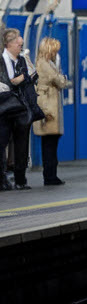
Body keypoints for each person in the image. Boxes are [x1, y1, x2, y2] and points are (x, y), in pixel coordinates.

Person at [32, 36, 72, 185]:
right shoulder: (44, 64)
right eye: (55, 50)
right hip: (48, 110)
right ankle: (49, 176)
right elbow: (60, 81)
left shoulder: (46, 63)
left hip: (50, 107)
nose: (56, 53)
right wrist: (63, 77)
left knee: (51, 142)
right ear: (49, 50)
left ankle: (51, 174)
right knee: (49, 144)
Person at [0, 29, 36, 190]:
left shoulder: (23, 59)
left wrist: (25, 77)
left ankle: (21, 179)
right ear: (9, 44)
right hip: (4, 107)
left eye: (21, 44)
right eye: (18, 44)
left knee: (22, 144)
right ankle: (2, 180)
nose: (20, 47)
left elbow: (34, 75)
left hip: (21, 107)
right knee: (1, 143)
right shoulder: (1, 60)